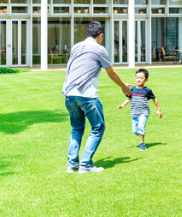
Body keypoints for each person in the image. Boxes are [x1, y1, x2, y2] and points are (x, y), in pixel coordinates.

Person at [62, 21, 132, 174]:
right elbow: (111, 73)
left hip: (70, 93)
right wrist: (123, 87)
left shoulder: (76, 47)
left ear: (87, 34)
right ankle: (85, 165)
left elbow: (71, 69)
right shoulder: (99, 49)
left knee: (77, 128)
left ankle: (72, 164)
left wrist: (67, 91)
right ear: (100, 35)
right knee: (98, 127)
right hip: (86, 95)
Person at [117, 68, 162, 151]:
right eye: (137, 77)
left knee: (141, 127)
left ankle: (142, 144)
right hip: (134, 113)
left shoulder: (147, 90)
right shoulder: (132, 90)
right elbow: (128, 99)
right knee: (135, 131)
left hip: (143, 112)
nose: (139, 79)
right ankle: (140, 133)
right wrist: (122, 105)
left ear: (146, 80)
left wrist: (158, 110)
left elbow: (154, 99)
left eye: (141, 78)